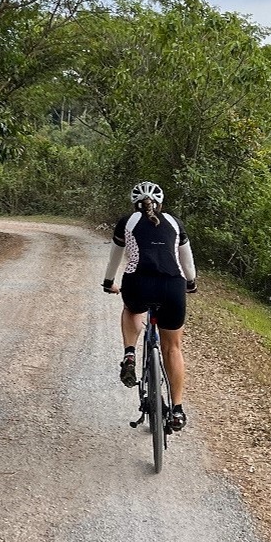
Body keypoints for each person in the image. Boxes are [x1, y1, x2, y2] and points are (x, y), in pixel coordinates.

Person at [102, 181, 197, 430]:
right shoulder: (175, 223)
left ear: (135, 204)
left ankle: (130, 353)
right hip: (173, 286)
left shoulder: (128, 222)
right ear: (160, 203)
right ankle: (177, 410)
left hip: (138, 282)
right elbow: (187, 260)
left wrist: (108, 281)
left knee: (132, 309)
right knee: (173, 348)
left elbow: (115, 256)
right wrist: (191, 283)